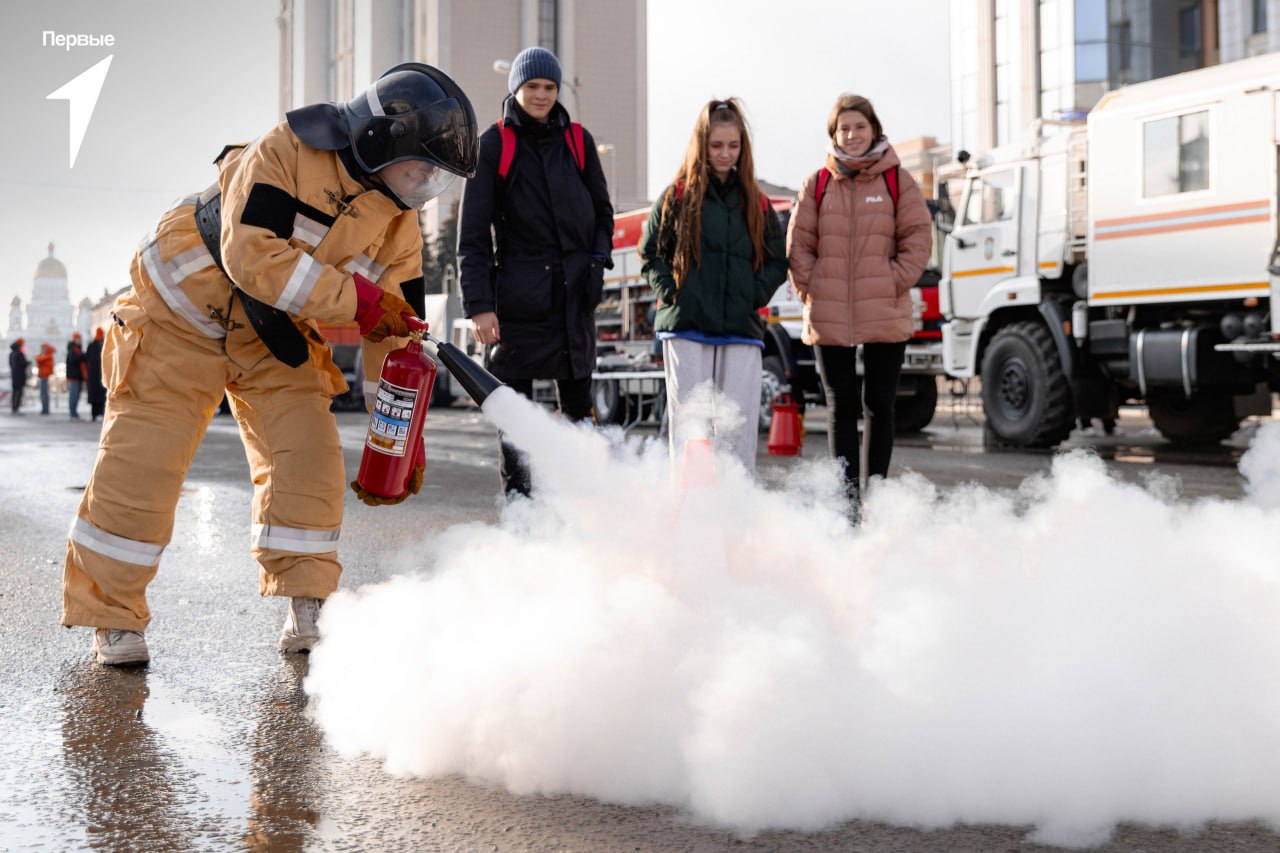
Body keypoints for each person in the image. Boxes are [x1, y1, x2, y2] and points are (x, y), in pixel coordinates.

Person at [62, 63, 479, 666]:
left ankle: (309, 606)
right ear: (383, 137)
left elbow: (400, 330)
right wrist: (359, 301)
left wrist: (399, 429)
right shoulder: (285, 152)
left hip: (274, 337)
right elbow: (251, 255)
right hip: (176, 320)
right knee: (140, 471)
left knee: (308, 461)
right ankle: (112, 620)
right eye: (422, 167)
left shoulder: (399, 226)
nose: (424, 186)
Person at [457, 46, 614, 499]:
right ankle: (521, 518)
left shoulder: (578, 142)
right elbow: (472, 237)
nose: (541, 95)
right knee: (517, 424)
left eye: (549, 87)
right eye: (532, 87)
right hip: (517, 307)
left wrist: (598, 264)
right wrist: (480, 306)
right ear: (516, 89)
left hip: (573, 301)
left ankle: (587, 511)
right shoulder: (493, 145)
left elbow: (603, 215)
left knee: (581, 419)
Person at [786, 94, 932, 523]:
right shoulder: (817, 184)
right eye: (843, 129)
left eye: (859, 127)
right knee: (840, 407)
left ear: (874, 129)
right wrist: (811, 288)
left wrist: (893, 280)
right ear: (834, 134)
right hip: (829, 309)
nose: (851, 135)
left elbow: (917, 239)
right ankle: (845, 502)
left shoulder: (897, 181)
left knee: (879, 405)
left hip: (883, 307)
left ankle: (877, 497)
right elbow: (798, 246)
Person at [640, 98, 787, 473]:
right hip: (686, 326)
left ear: (743, 147)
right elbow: (650, 251)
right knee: (691, 433)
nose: (725, 154)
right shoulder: (676, 195)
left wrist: (753, 295)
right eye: (717, 145)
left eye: (733, 146)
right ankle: (689, 517)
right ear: (702, 144)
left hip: (741, 328)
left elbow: (776, 259)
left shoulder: (757, 202)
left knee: (737, 433)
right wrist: (673, 291)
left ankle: (735, 519)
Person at [85, 328, 106, 421]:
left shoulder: (91, 345)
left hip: (93, 375)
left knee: (95, 396)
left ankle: (94, 414)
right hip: (101, 374)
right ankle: (100, 413)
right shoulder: (103, 345)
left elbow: (86, 358)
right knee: (101, 396)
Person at [65, 336, 86, 419]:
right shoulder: (72, 350)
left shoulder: (77, 349)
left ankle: (74, 412)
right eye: (78, 339)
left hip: (78, 376)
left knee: (76, 395)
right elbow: (74, 359)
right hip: (73, 377)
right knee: (73, 395)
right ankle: (72, 412)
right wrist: (82, 356)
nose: (80, 340)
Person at [9, 339, 28, 413]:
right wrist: (27, 363)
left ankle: (14, 407)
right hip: (20, 376)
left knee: (14, 391)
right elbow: (22, 364)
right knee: (19, 392)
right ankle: (16, 407)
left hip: (14, 375)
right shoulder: (19, 354)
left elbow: (11, 364)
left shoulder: (11, 354)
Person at [35, 343, 55, 415]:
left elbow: (38, 359)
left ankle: (45, 409)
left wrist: (40, 355)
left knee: (44, 393)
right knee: (43, 393)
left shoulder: (48, 356)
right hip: (42, 375)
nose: (42, 350)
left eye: (43, 348)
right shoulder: (46, 355)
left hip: (44, 376)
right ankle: (44, 409)